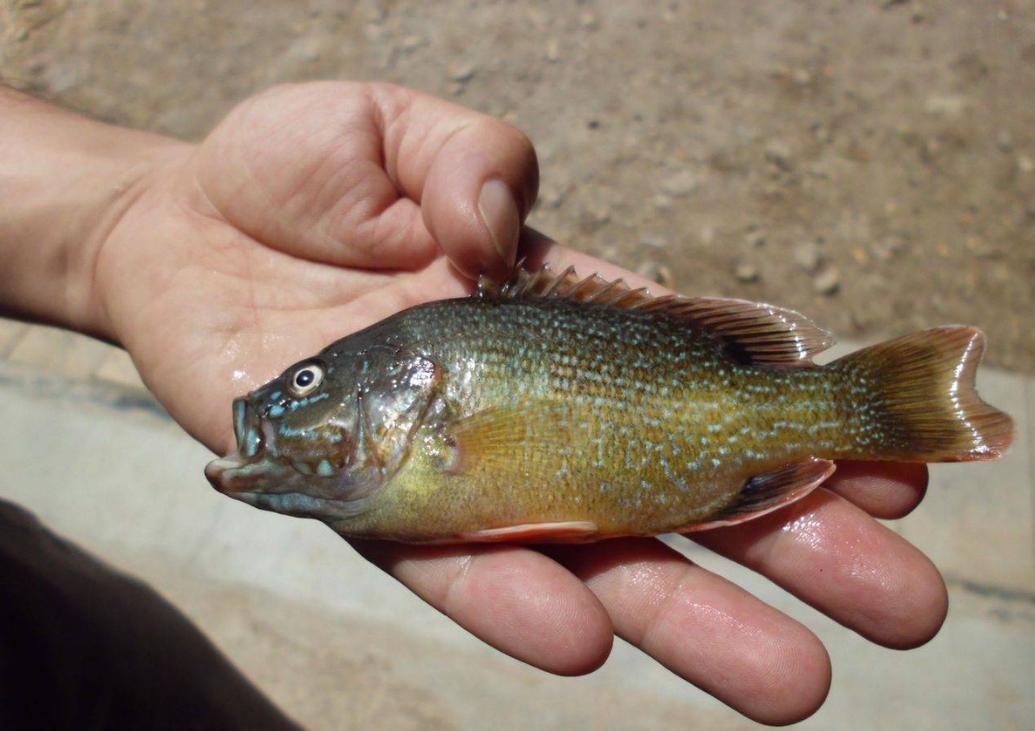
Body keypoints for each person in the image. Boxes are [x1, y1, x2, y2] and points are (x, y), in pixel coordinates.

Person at [0, 82, 946, 725]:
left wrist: (119, 215)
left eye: (305, 385)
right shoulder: (408, 439)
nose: (282, 402)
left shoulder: (428, 411)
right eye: (300, 382)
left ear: (399, 398)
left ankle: (874, 402)